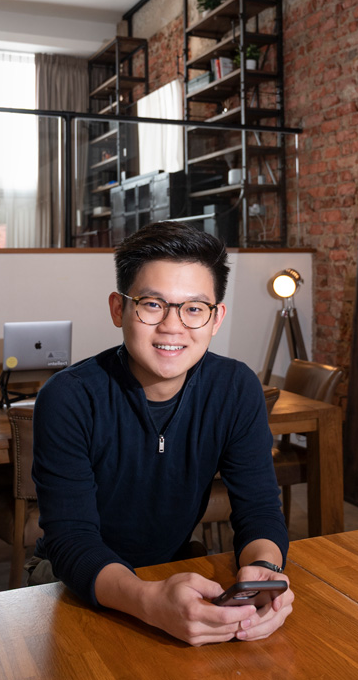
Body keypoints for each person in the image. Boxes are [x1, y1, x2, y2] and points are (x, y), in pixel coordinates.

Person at [31, 221, 293, 646]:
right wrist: (149, 600)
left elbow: (260, 509)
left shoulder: (236, 387)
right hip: (75, 582)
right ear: (119, 309)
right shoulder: (69, 397)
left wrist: (266, 573)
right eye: (152, 304)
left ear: (216, 318)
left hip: (171, 574)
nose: (173, 326)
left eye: (194, 308)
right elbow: (72, 540)